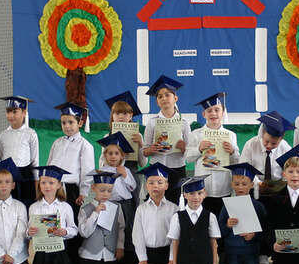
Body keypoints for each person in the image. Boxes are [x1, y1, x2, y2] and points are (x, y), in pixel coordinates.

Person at [240, 111, 293, 264]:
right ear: (262, 133)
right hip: (256, 189)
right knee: (258, 221)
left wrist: (283, 181)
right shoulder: (251, 144)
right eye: (267, 141)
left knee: (275, 221)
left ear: (281, 139)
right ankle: (260, 253)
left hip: (277, 190)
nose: (269, 146)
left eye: (274, 144)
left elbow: (289, 169)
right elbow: (244, 169)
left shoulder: (285, 147)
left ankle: (275, 252)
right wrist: (257, 182)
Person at [47, 102, 94, 262]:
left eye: (71, 122)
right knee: (53, 222)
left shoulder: (85, 146)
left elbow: (87, 172)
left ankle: (71, 262)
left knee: (70, 223)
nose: (67, 126)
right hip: (54, 189)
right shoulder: (57, 143)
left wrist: (83, 193)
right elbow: (50, 164)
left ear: (80, 123)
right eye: (64, 122)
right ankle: (53, 257)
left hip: (72, 191)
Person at [185, 92, 239, 216]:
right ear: (204, 114)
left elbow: (236, 161)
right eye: (209, 111)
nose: (213, 113)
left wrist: (232, 152)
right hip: (203, 189)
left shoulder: (230, 135)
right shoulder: (196, 134)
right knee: (205, 221)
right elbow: (187, 158)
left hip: (224, 187)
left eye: (217, 110)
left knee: (222, 220)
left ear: (223, 113)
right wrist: (199, 149)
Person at [143, 75, 191, 204]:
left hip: (177, 168)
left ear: (175, 98)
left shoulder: (184, 122)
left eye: (167, 95)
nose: (164, 98)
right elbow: (144, 151)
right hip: (156, 168)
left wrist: (184, 148)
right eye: (160, 96)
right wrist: (151, 149)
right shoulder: (152, 122)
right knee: (155, 202)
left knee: (176, 203)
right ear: (157, 102)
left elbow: (190, 152)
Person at [95, 132, 137, 264]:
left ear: (122, 156)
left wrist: (125, 175)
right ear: (105, 155)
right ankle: (109, 255)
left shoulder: (125, 170)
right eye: (110, 153)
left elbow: (132, 187)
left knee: (127, 230)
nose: (113, 156)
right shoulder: (102, 170)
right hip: (108, 204)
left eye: (116, 153)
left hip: (125, 205)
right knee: (110, 229)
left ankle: (128, 257)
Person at [101, 91, 148, 199]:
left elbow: (143, 164)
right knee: (113, 204)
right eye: (117, 113)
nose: (121, 116)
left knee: (131, 204)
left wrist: (141, 145)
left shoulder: (138, 136)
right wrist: (114, 156)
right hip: (114, 176)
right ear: (112, 116)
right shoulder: (107, 136)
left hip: (132, 175)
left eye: (125, 113)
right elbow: (102, 163)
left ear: (131, 116)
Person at [0, 96, 39, 207]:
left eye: (15, 112)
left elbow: (35, 161)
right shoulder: (3, 135)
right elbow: (0, 158)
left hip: (26, 177)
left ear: (24, 113)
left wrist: (36, 184)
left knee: (26, 206)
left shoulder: (31, 134)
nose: (11, 115)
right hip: (8, 177)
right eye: (8, 112)